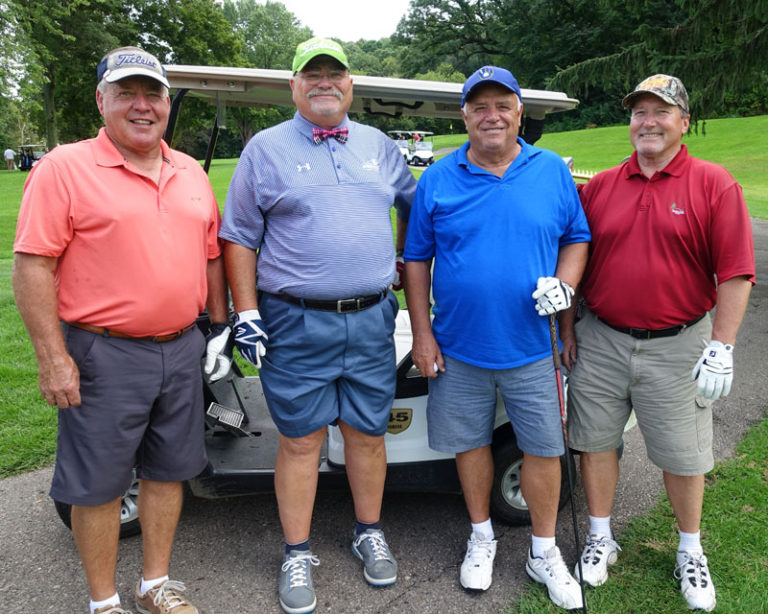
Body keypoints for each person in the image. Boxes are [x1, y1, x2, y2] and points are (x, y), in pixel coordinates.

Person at [13, 46, 232, 614]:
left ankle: (154, 586)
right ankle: (103, 602)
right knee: (100, 484)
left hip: (182, 348)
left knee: (168, 472)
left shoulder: (189, 172)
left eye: (153, 93)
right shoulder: (64, 167)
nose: (142, 105)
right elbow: (33, 264)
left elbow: (210, 255)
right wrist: (52, 357)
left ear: (165, 103)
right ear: (101, 100)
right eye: (126, 93)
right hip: (102, 353)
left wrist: (218, 327)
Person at [219, 37, 415, 614]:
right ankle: (297, 549)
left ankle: (367, 530)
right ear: (295, 86)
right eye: (313, 74)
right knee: (302, 440)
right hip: (295, 321)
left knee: (367, 433)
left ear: (351, 84)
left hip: (373, 317)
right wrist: (247, 310)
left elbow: (414, 203)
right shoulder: (265, 149)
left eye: (335, 73)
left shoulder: (379, 146)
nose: (325, 81)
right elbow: (238, 235)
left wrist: (402, 257)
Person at [561, 74, 755, 612]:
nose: (648, 122)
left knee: (682, 453)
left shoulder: (714, 184)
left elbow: (736, 273)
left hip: (679, 344)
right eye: (639, 112)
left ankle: (690, 550)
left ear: (683, 122)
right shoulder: (600, 186)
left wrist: (723, 345)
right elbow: (574, 255)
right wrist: (569, 327)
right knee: (595, 441)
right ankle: (601, 537)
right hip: (600, 338)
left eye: (661, 112)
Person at [403, 65, 591, 610]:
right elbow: (416, 260)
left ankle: (543, 548)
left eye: (502, 105)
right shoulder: (437, 177)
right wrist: (422, 334)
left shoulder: (551, 169)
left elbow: (576, 237)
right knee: (470, 443)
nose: (492, 116)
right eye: (479, 107)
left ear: (519, 114)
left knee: (543, 449)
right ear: (464, 115)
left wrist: (566, 285)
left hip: (534, 346)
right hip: (458, 344)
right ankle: (481, 535)